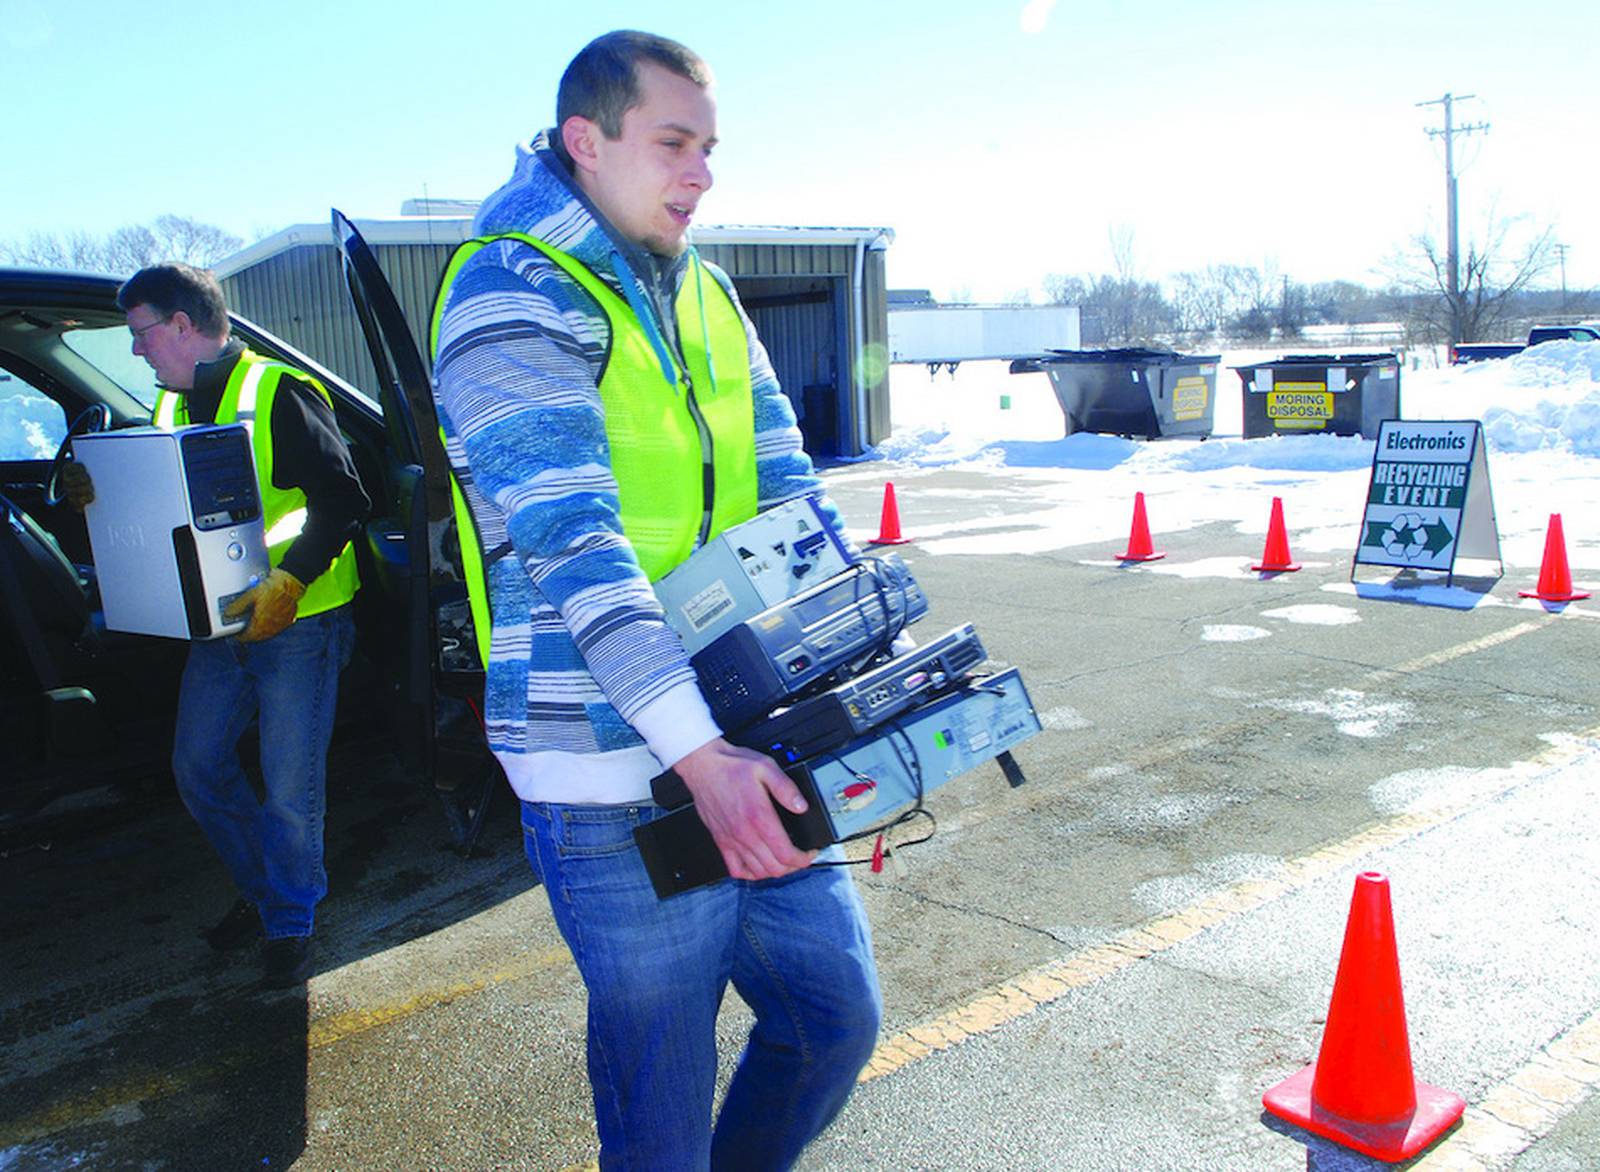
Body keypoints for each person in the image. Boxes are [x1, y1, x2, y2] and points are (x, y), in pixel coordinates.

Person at [431, 30, 881, 1171]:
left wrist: (853, 664)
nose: (702, 173)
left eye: (711, 147)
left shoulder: (708, 294)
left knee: (833, 1019)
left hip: (744, 728)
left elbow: (785, 488)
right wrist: (696, 754)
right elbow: (574, 547)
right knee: (660, 1102)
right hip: (608, 768)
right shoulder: (510, 287)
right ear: (586, 140)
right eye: (672, 142)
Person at [70, 263, 368, 989]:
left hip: (300, 622)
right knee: (197, 767)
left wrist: (290, 580)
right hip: (219, 627)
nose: (137, 352)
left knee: (288, 790)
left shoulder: (276, 390)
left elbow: (344, 497)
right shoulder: (172, 407)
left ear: (181, 324)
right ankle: (269, 894)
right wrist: (96, 496)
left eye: (141, 335)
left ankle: (291, 921)